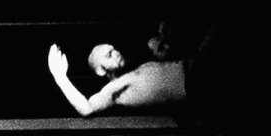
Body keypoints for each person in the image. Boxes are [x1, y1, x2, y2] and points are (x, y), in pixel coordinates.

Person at [47, 42, 187, 116]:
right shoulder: (114, 89)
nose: (116, 53)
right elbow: (87, 109)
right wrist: (60, 77)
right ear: (101, 71)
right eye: (109, 55)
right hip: (194, 78)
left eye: (113, 50)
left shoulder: (139, 67)